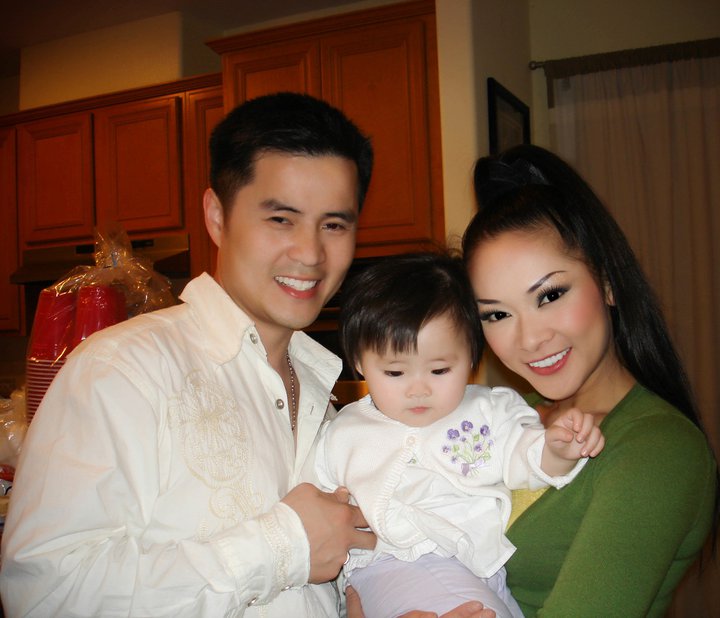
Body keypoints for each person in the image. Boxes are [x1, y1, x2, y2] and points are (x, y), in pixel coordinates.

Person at [0, 91, 381, 617]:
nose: (311, 253)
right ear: (217, 216)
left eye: (334, 224)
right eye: (281, 219)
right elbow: (45, 595)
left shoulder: (333, 407)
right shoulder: (121, 372)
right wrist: (282, 546)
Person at [462, 144, 719, 617]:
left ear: (607, 282)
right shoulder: (504, 415)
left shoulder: (657, 451)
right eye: (497, 314)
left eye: (549, 295)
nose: (530, 339)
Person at [316, 253, 605, 618]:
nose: (418, 390)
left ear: (470, 356)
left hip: (483, 568)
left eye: (439, 370)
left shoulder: (488, 410)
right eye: (395, 373)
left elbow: (523, 454)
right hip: (394, 564)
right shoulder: (343, 432)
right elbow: (321, 504)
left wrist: (557, 450)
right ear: (359, 362)